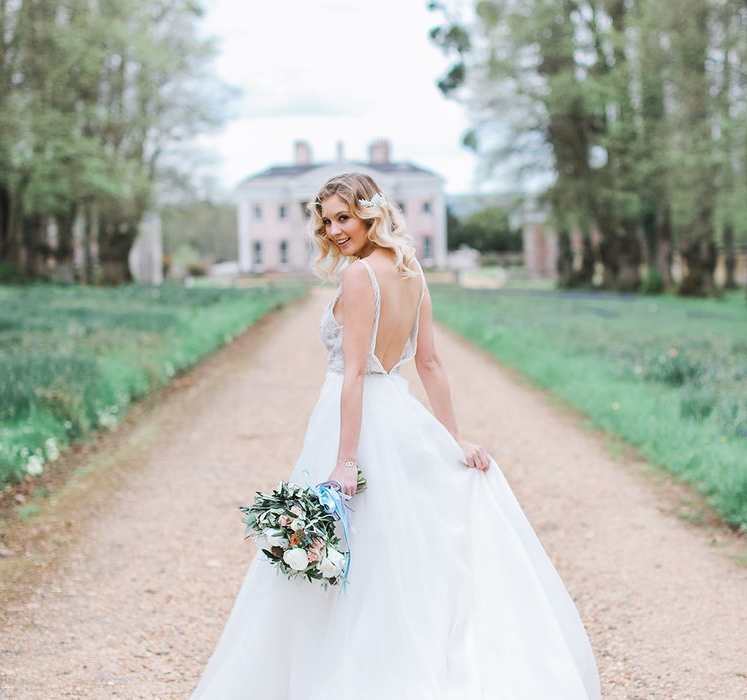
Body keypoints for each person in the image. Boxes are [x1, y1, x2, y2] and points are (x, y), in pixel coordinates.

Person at [189, 172, 602, 699]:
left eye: (344, 217)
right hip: (399, 412)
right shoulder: (412, 269)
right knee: (389, 550)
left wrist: (344, 461)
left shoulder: (360, 277)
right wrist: (451, 439)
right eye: (326, 220)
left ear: (369, 213)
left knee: (357, 555)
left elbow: (357, 373)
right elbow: (427, 363)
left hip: (356, 423)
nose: (335, 230)